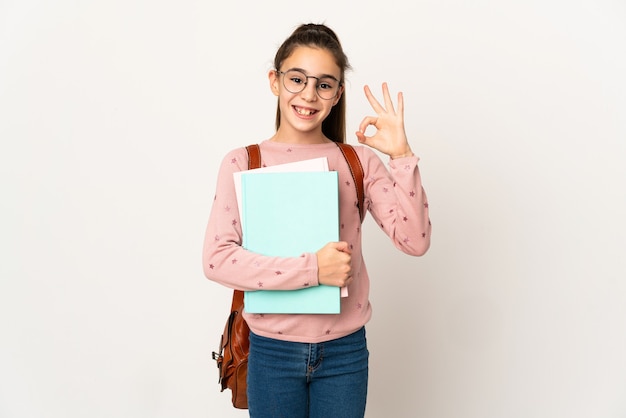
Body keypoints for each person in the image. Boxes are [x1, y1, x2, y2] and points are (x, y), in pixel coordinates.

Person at [203, 23, 431, 418]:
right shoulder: (243, 162)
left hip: (345, 353)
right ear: (275, 81)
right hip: (271, 352)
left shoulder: (358, 162)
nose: (309, 94)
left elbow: (415, 241)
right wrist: (314, 269)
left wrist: (402, 155)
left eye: (324, 84)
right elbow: (216, 260)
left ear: (337, 94)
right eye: (297, 79)